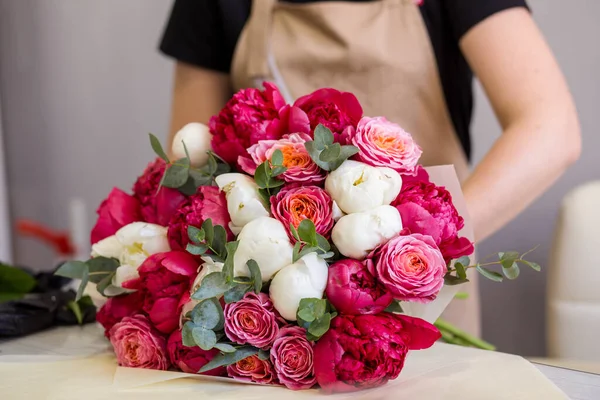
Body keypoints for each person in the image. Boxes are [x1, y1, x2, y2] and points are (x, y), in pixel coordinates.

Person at [158, 0, 581, 337]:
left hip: (420, 298)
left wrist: (414, 257)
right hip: (273, 311)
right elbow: (192, 165)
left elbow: (550, 130)